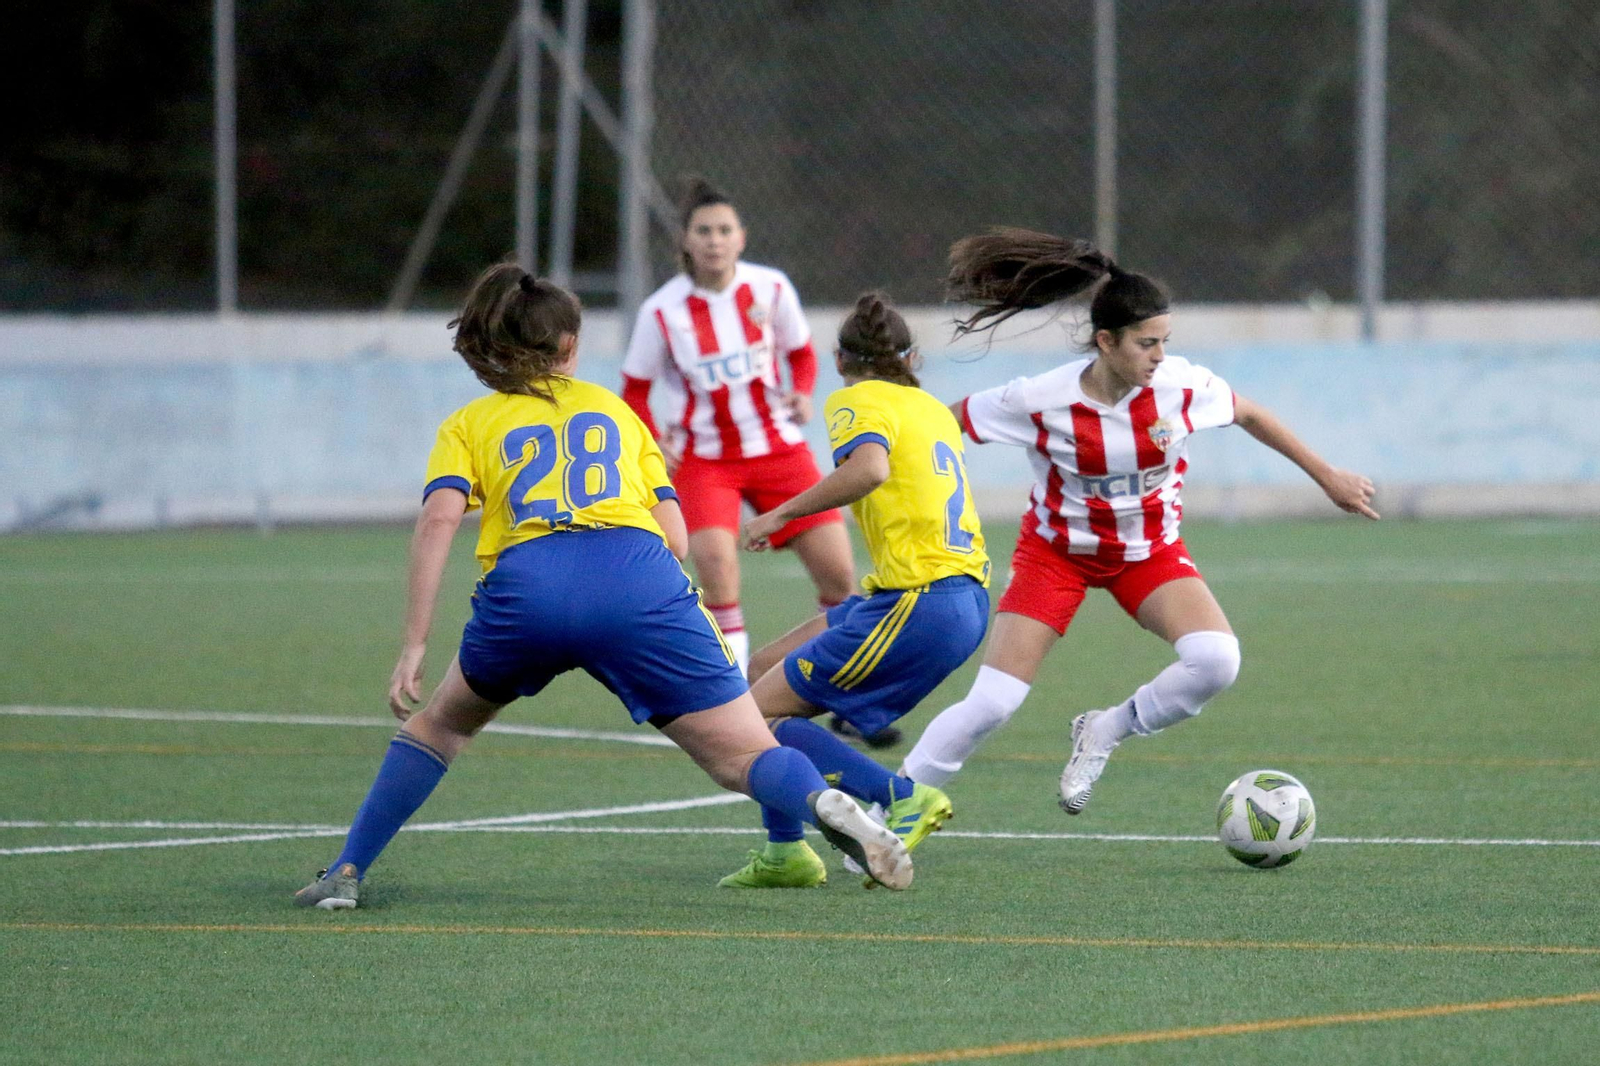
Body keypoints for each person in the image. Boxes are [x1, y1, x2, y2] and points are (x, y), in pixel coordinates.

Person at [293, 264, 912, 909]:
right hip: (638, 579)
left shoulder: (470, 422)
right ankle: (821, 800)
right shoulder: (614, 410)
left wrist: (415, 644)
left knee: (440, 728)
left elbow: (440, 519)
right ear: (567, 347)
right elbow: (675, 536)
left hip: (528, 589)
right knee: (742, 755)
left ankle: (345, 871)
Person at [900, 228, 1379, 814]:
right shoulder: (1038, 399)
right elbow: (937, 429)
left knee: (1217, 661)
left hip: (1148, 554)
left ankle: (1106, 729)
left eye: (1165, 341)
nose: (1159, 356)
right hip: (1056, 557)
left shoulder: (1181, 387)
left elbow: (1249, 413)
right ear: (1106, 341)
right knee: (992, 704)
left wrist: (1326, 475)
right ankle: (887, 810)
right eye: (1146, 343)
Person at [715, 292, 992, 888]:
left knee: (755, 718)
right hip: (948, 596)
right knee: (760, 672)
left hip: (920, 601)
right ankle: (785, 853)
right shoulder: (930, 408)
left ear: (840, 359)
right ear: (912, 357)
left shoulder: (854, 399)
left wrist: (776, 515)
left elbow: (869, 469)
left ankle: (899, 797)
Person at [620, 177, 857, 682]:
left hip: (779, 450)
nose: (714, 240)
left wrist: (803, 391)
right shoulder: (661, 311)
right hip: (705, 461)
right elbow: (634, 392)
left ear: (741, 237)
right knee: (719, 578)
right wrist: (653, 441)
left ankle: (842, 694)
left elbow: (800, 352)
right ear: (686, 240)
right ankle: (733, 699)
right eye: (703, 230)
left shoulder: (770, 287)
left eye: (724, 229)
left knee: (841, 580)